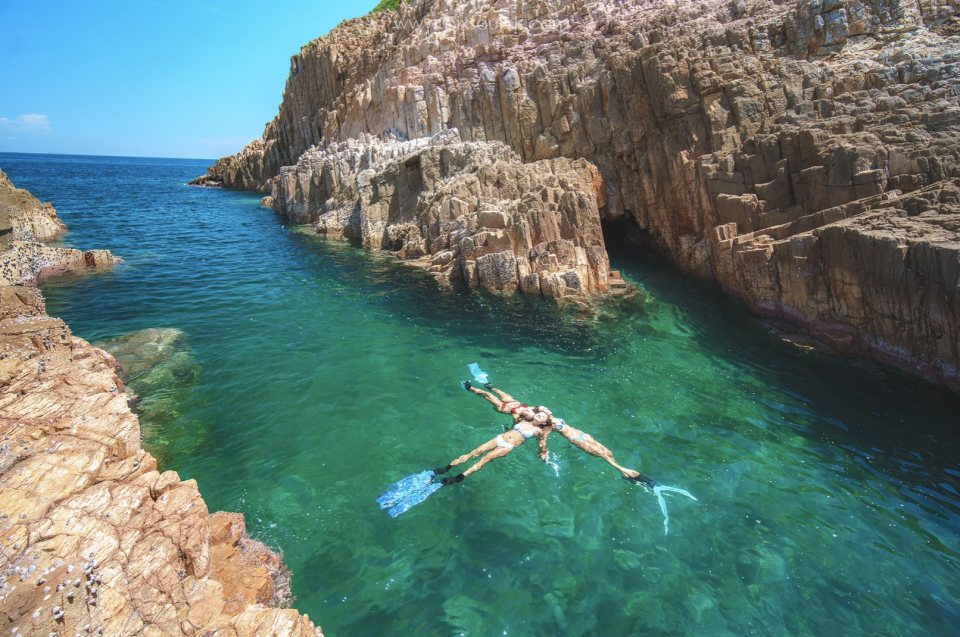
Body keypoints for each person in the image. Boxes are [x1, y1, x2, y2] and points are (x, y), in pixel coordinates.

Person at [543, 410, 655, 488]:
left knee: (609, 453)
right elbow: (544, 437)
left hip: (584, 435)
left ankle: (625, 475)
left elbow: (530, 408)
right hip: (577, 439)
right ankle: (628, 473)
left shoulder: (549, 416)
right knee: (604, 456)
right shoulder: (547, 425)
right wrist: (543, 451)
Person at [433, 414, 550, 484]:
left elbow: (541, 444)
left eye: (543, 416)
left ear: (544, 422)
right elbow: (512, 425)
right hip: (499, 438)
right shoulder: (523, 419)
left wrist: (543, 454)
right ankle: (446, 468)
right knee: (475, 452)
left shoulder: (539, 432)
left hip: (507, 446)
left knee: (484, 459)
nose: (540, 415)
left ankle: (458, 477)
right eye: (539, 413)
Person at [462, 380, 535, 422]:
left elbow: (515, 424)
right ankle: (489, 387)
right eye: (529, 410)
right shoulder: (531, 409)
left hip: (501, 407)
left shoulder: (516, 415)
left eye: (526, 412)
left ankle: (469, 388)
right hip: (511, 401)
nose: (527, 409)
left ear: (524, 416)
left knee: (488, 394)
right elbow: (539, 409)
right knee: (500, 392)